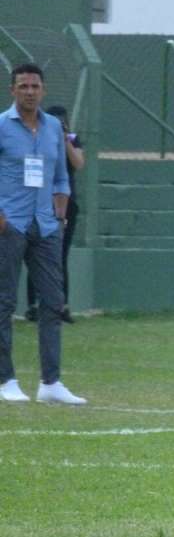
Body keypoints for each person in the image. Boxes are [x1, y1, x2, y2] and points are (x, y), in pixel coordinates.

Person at [0, 63, 86, 405]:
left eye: (35, 86)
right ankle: (5, 379)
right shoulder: (2, 126)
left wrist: (61, 210)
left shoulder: (53, 128)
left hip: (47, 225)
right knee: (5, 301)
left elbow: (61, 174)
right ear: (12, 90)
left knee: (52, 302)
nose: (30, 91)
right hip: (11, 224)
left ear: (44, 90)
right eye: (23, 86)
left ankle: (51, 383)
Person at [25, 105, 84, 324]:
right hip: (40, 201)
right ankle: (33, 305)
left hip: (66, 202)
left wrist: (66, 140)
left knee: (60, 255)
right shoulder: (37, 136)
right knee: (35, 253)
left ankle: (62, 305)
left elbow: (78, 163)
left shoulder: (73, 138)